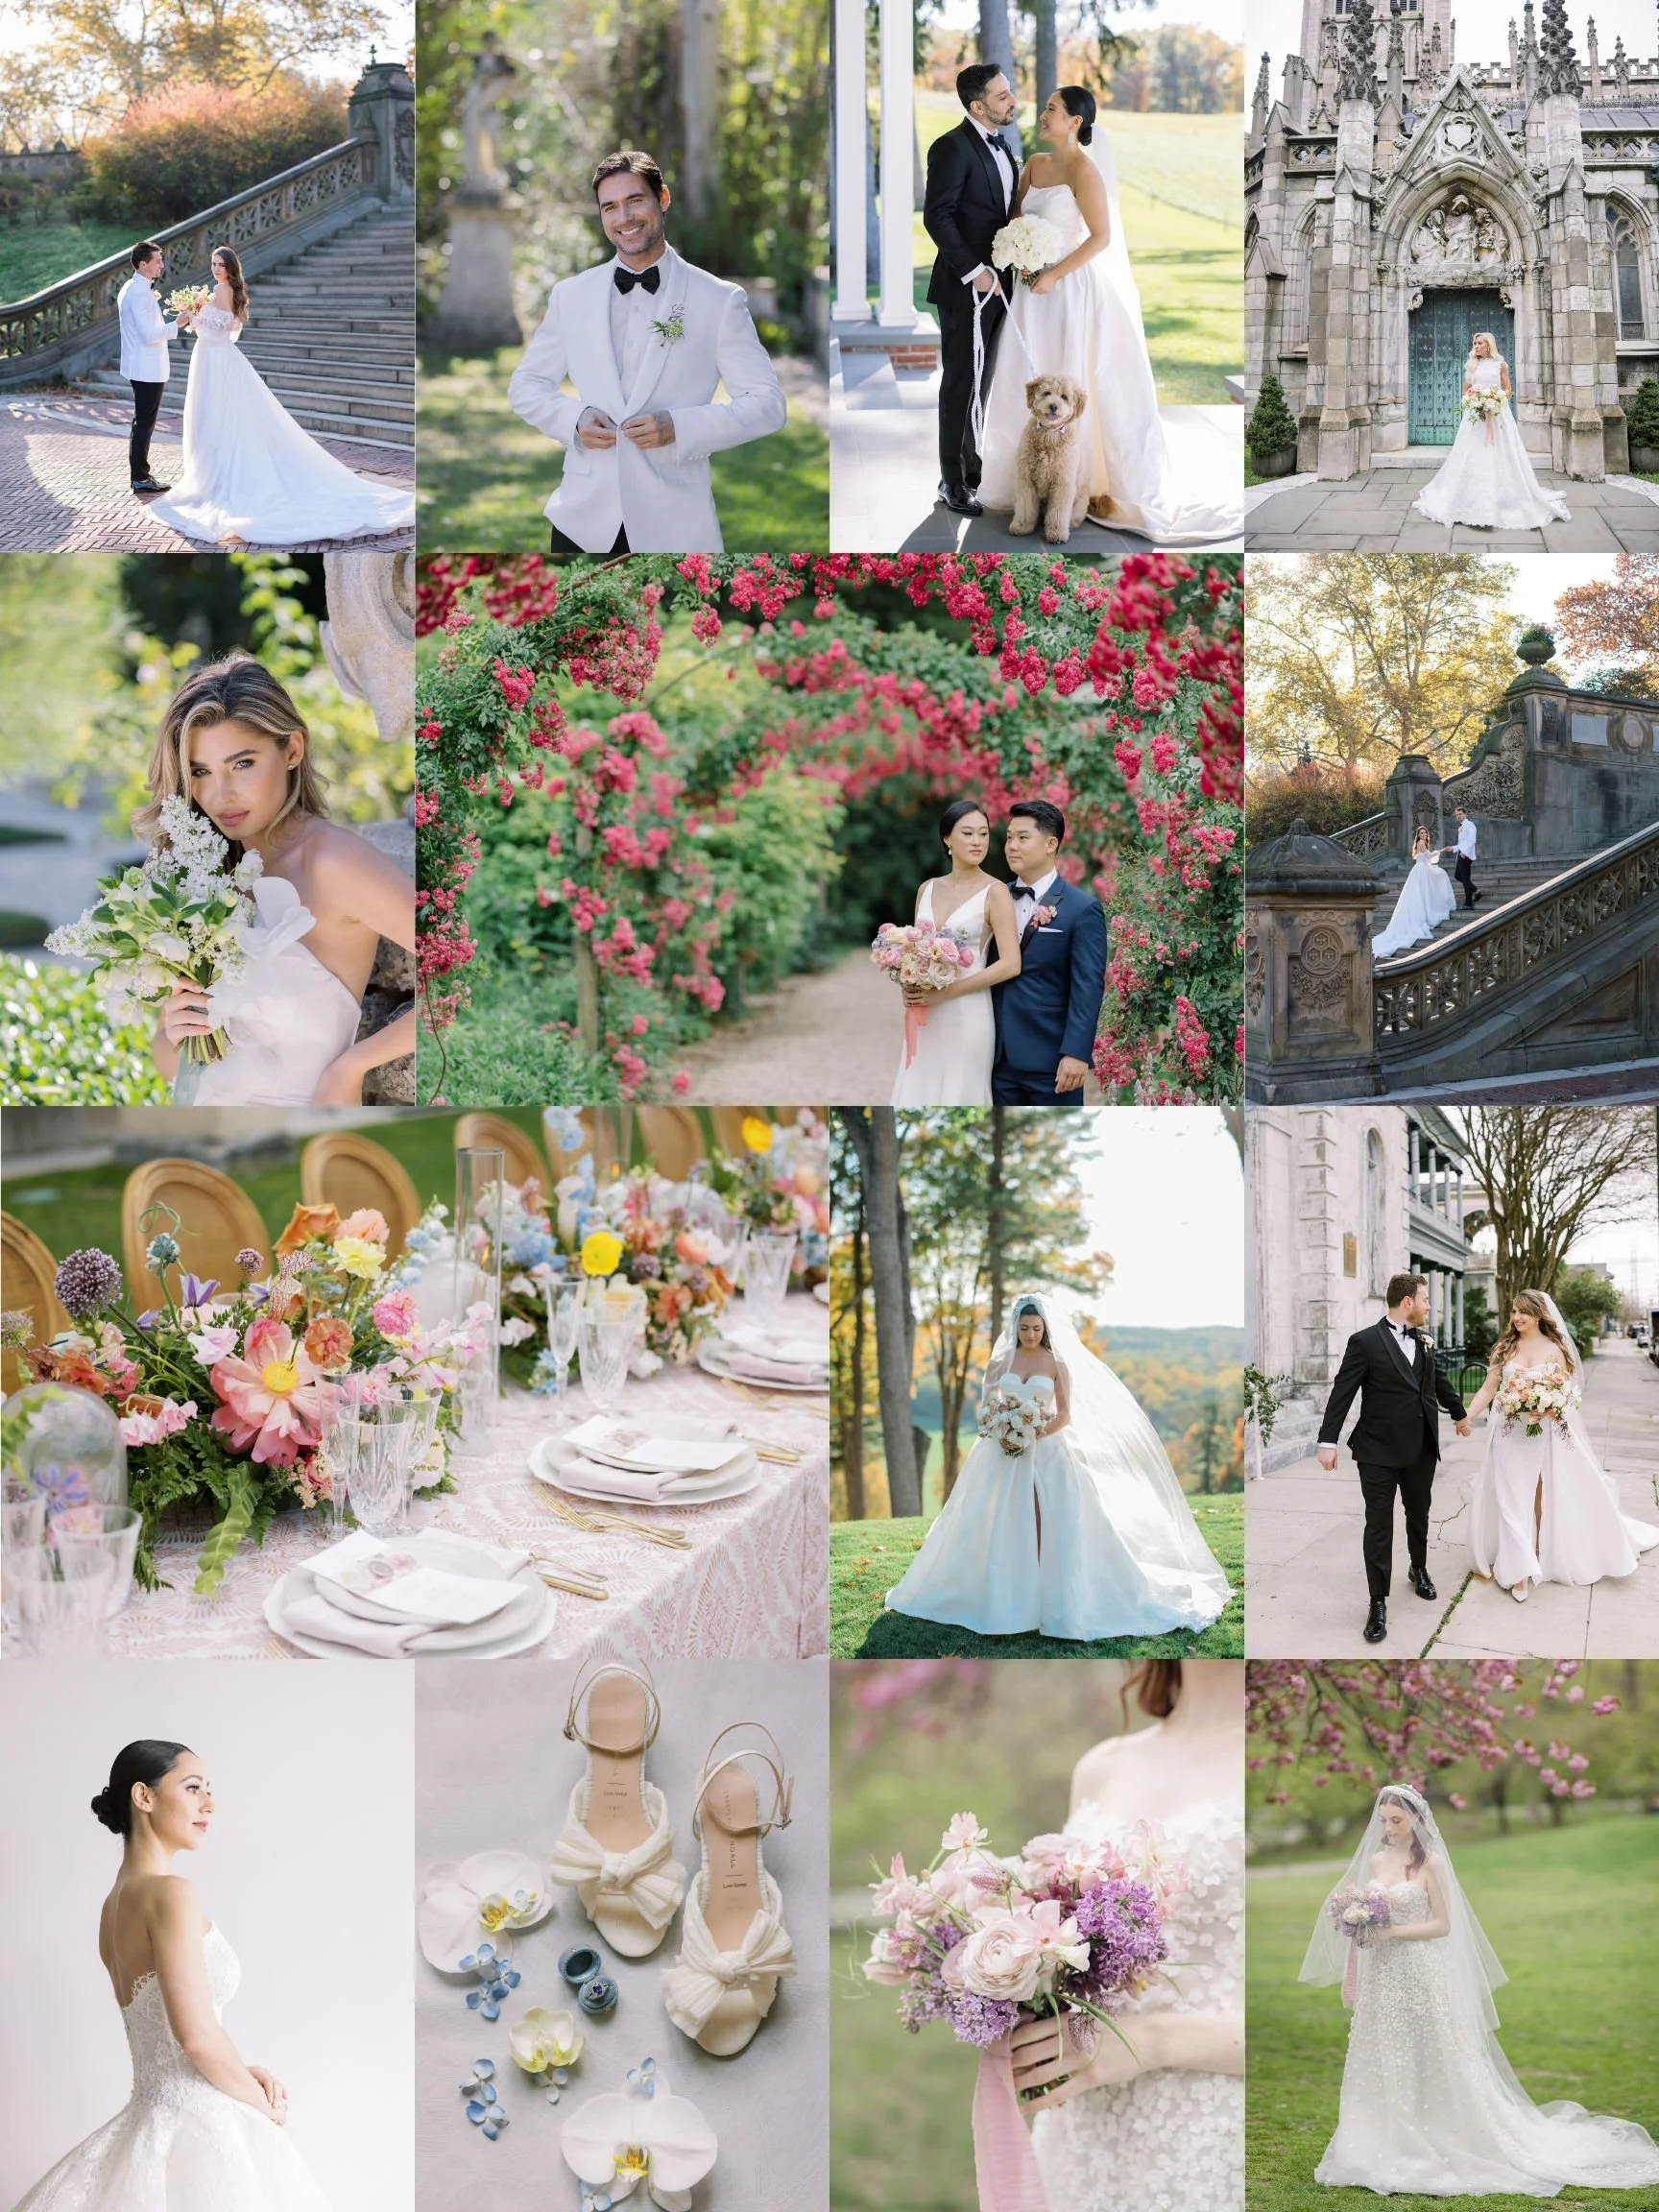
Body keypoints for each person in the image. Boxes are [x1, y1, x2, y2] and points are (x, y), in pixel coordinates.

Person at [9, 1740, 333, 2212]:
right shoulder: (171, 1893)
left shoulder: (112, 1908)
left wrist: (240, 2071)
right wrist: (264, 2110)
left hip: (152, 2117)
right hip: (201, 2123)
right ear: (144, 1797)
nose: (209, 1804)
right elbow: (195, 2038)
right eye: (193, 1787)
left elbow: (169, 2025)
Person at [1301, 1783, 1659, 2195]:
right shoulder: (1378, 1861)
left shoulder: (1431, 1864)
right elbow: (1371, 1911)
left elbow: (1442, 1925)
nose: (1389, 1827)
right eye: (1383, 1820)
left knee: (1432, 2051)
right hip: (1380, 1975)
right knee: (1383, 2050)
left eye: (1397, 1820)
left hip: (1419, 1973)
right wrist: (1360, 1922)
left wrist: (1393, 1931)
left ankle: (1441, 2133)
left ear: (1417, 1819)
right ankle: (1384, 2137)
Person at [1013, 1659, 1244, 2212]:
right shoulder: (1100, 1767)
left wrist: (1151, 2039)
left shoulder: (1275, 1752)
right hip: (1082, 2133)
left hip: (1213, 2134)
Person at [143, 655, 415, 1105]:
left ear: (292, 749)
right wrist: (175, 1031)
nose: (221, 794)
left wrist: (354, 1065)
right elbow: (168, 1062)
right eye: (200, 771)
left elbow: (467, 975)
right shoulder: (200, 874)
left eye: (243, 764)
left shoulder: (332, 863)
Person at [976, 88, 1241, 544]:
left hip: (1067, 289)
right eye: (1045, 109)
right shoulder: (1035, 166)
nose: (1043, 115)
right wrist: (1021, 254)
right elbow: (1017, 220)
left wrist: (1054, 273)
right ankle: (1022, 489)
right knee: (1028, 377)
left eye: (1052, 110)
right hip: (1029, 288)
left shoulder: (1085, 171)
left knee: (1071, 378)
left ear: (1076, 121)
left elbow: (1099, 238)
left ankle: (1079, 484)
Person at [885, 1293, 1230, 1640]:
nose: (1031, 1335)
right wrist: (1002, 1427)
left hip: (1047, 1447)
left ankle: (1048, 1596)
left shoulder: (1055, 1363)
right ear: (1015, 1327)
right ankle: (1006, 1594)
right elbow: (988, 1406)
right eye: (1025, 1329)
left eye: (1036, 1328)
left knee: (1047, 1516)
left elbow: (1064, 1414)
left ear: (1045, 1328)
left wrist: (1033, 1434)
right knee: (1001, 1517)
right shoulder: (999, 1363)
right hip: (1001, 1450)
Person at [509, 151, 786, 556]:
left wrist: (680, 427)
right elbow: (526, 385)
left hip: (676, 523)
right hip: (582, 522)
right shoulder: (571, 296)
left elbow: (768, 406)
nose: (624, 218)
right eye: (610, 207)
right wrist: (574, 419)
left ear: (664, 199)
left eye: (635, 200)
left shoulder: (719, 300)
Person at [150, 247, 414, 546]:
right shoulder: (228, 289)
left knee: (216, 417)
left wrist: (197, 316)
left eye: (221, 264)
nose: (215, 269)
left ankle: (218, 478)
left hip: (216, 360)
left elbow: (226, 325)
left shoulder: (223, 289)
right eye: (213, 263)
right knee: (218, 417)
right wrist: (200, 315)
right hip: (215, 358)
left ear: (231, 267)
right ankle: (214, 472)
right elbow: (228, 325)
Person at [1464, 1288, 1659, 1601]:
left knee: (1539, 1491)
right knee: (1511, 1494)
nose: (1516, 1318)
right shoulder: (1504, 1347)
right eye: (1514, 1312)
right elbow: (1489, 1389)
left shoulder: (1555, 1348)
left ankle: (1541, 1544)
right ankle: (1520, 1571)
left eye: (1522, 1312)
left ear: (1539, 1315)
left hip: (1542, 1433)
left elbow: (1567, 1393)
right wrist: (1466, 1417)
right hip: (1508, 1431)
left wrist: (1550, 1407)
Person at [1317, 1272, 1471, 1646]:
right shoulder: (1365, 1342)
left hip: (1420, 1448)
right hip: (1378, 1451)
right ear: (1407, 1303)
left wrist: (1459, 1412)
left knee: (1419, 1515)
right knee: (1379, 1524)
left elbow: (1436, 1382)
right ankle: (1378, 1602)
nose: (1428, 1306)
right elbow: (1344, 1390)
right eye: (1424, 1299)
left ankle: (1418, 1569)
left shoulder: (1423, 1340)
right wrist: (1328, 1440)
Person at [923, 63, 1021, 517]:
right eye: (1002, 96)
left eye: (1010, 91)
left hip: (1002, 286)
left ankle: (973, 470)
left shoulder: (1007, 149)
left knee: (985, 382)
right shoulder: (950, 147)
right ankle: (952, 480)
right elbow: (936, 216)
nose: (1012, 100)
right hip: (965, 288)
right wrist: (975, 270)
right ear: (977, 105)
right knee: (961, 383)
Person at [890, 798, 1022, 1105]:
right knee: (918, 1086)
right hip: (925, 1011)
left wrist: (947, 993)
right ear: (947, 838)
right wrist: (909, 984)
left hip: (968, 1011)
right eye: (968, 833)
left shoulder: (996, 892)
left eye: (984, 833)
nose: (978, 841)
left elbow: (1011, 963)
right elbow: (913, 950)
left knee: (961, 1090)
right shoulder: (927, 888)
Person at [990, 800, 1107, 1106]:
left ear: (1050, 844)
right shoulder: (992, 898)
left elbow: (1088, 986)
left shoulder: (1083, 909)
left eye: (1023, 838)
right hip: (993, 1057)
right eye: (1009, 837)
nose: (1012, 845)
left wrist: (1076, 1053)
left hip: (1051, 1061)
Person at [1413, 333, 1570, 529]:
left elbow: (1508, 388)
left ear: (1489, 346)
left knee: (1500, 452)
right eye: (1474, 343)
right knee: (1472, 453)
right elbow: (1467, 390)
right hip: (1476, 418)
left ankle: (1505, 498)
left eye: (1480, 343)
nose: (1476, 346)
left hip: (1497, 415)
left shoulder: (1500, 364)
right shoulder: (1471, 365)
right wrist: (1474, 401)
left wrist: (1496, 401)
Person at [117, 241, 177, 496]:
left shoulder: (132, 287)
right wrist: (179, 322)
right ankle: (140, 478)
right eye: (157, 261)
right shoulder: (139, 293)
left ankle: (140, 475)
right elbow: (149, 335)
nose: (161, 265)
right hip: (146, 368)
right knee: (144, 423)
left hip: (141, 365)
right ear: (143, 264)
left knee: (142, 422)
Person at [1371, 826, 1455, 959]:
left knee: (1425, 890)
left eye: (1425, 832)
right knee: (1437, 877)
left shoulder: (1422, 843)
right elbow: (1429, 856)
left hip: (1422, 869)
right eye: (1421, 833)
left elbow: (1427, 858)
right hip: (1421, 871)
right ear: (1418, 835)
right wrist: (1442, 850)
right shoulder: (1421, 843)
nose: (1423, 835)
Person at [1447, 806, 1479, 908]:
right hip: (1461, 854)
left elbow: (1472, 841)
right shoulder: (1461, 826)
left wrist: (1465, 853)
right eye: (1456, 815)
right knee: (1458, 876)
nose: (1458, 816)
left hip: (1466, 855)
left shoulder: (1470, 825)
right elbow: (1462, 844)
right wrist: (1452, 848)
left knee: (1465, 878)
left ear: (1465, 814)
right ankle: (1476, 890)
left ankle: (1468, 903)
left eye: (1460, 814)